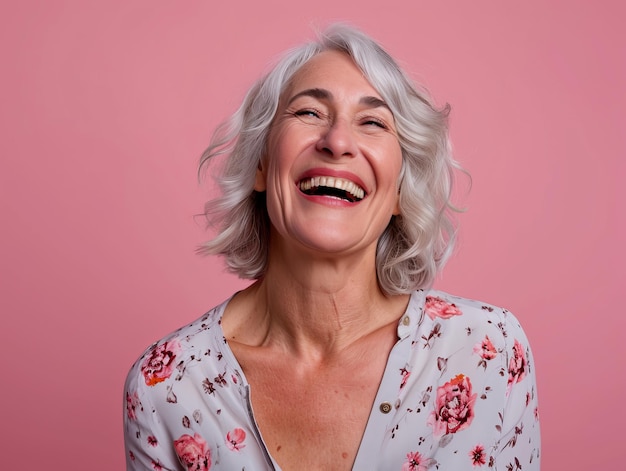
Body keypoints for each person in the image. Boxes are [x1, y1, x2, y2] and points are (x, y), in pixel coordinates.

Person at [123, 24, 540, 470]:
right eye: (309, 113)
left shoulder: (485, 350)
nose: (337, 142)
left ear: (401, 192)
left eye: (373, 122)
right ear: (261, 166)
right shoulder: (165, 384)